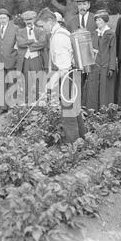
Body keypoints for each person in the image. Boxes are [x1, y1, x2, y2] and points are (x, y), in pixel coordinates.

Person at [36, 7, 85, 143]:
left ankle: (73, 146)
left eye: (42, 25)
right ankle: (83, 138)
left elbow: (64, 66)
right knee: (75, 110)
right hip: (70, 76)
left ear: (50, 21)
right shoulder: (60, 33)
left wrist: (51, 83)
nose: (42, 29)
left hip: (67, 78)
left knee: (68, 114)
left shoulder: (59, 37)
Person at [82, 9, 116, 111]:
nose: (98, 23)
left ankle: (104, 110)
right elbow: (89, 51)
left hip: (105, 64)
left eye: (100, 20)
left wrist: (112, 67)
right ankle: (92, 110)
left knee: (104, 88)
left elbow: (113, 51)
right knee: (93, 87)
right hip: (94, 65)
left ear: (105, 21)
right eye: (96, 21)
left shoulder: (110, 34)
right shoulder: (93, 34)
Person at [0, 8, 18, 114]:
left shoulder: (15, 28)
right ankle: (3, 107)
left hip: (11, 59)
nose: (2, 20)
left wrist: (15, 54)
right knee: (1, 83)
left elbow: (18, 43)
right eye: (0, 18)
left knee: (11, 83)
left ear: (8, 18)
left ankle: (12, 106)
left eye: (4, 18)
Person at [16, 10, 47, 104]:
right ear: (24, 21)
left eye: (30, 19)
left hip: (36, 59)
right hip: (25, 60)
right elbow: (20, 43)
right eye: (26, 20)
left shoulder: (40, 30)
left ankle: (38, 103)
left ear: (34, 19)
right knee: (26, 82)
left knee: (38, 81)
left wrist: (29, 45)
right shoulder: (20, 31)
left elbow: (42, 43)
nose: (28, 21)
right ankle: (27, 104)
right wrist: (32, 41)